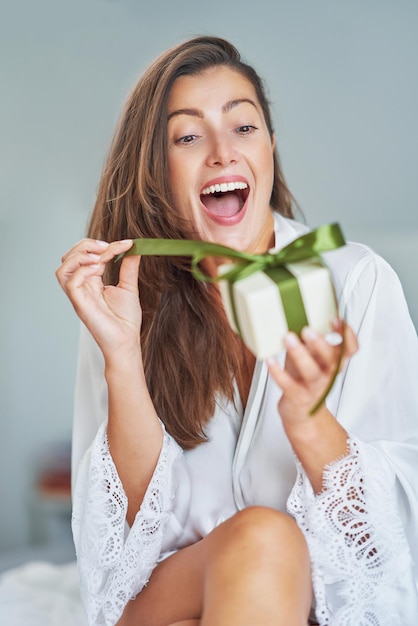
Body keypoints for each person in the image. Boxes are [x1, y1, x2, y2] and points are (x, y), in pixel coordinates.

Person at [56, 35, 418, 626]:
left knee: (267, 545)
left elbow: (387, 543)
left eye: (243, 127)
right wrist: (122, 355)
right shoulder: (125, 298)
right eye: (189, 136)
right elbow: (129, 543)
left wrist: (307, 418)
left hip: (301, 607)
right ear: (157, 171)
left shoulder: (357, 281)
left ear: (271, 148)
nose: (222, 153)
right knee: (263, 538)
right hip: (166, 602)